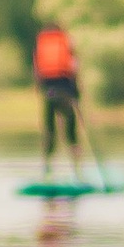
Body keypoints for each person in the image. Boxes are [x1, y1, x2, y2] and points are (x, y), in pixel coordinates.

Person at [33, 21, 82, 169]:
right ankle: (76, 165)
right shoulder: (66, 41)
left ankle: (47, 166)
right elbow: (73, 66)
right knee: (71, 125)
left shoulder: (41, 43)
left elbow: (37, 70)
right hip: (65, 89)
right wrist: (77, 91)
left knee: (49, 129)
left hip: (48, 90)